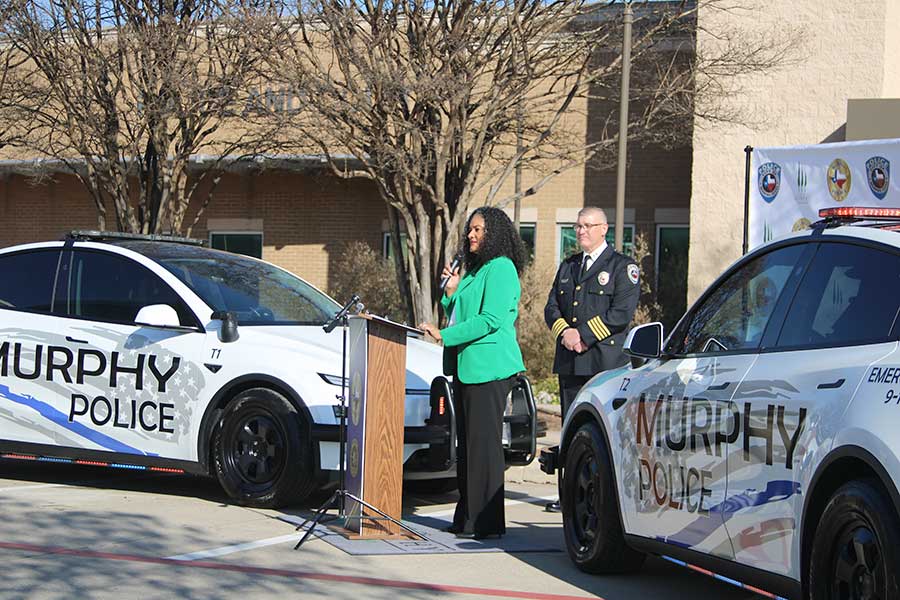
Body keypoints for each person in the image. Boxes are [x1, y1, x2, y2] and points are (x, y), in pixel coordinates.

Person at [419, 206, 526, 540]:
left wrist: (444, 336)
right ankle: (467, 517)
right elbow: (460, 313)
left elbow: (490, 320)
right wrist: (451, 294)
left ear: (494, 232)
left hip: (490, 368)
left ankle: (486, 522)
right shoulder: (475, 271)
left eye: (478, 229)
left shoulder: (501, 269)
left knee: (484, 448)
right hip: (468, 368)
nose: (471, 235)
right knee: (468, 447)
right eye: (470, 230)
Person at [543, 207, 640, 512]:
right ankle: (569, 494)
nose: (581, 231)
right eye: (579, 226)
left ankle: (604, 498)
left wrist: (583, 335)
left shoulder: (622, 267)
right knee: (572, 430)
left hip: (604, 364)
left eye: (588, 225)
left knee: (603, 434)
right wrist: (565, 334)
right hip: (571, 362)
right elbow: (552, 308)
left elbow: (620, 314)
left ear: (604, 229)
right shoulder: (569, 266)